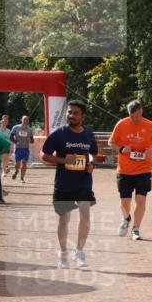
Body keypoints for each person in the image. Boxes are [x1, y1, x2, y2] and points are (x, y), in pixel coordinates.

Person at [40, 100, 98, 269]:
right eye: (69, 112)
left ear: (82, 116)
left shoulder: (88, 134)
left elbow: (93, 152)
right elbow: (45, 155)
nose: (71, 116)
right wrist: (63, 160)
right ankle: (63, 253)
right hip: (64, 184)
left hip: (83, 183)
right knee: (64, 221)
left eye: (75, 113)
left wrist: (92, 164)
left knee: (85, 219)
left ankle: (79, 251)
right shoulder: (59, 134)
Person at [109, 100, 152, 240]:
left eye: (138, 116)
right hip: (124, 170)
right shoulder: (121, 124)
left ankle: (136, 229)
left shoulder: (150, 125)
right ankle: (126, 219)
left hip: (143, 170)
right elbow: (111, 142)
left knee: (141, 200)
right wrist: (121, 149)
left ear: (141, 112)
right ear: (129, 114)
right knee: (124, 202)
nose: (135, 119)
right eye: (132, 117)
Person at [9, 115, 35, 183]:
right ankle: (16, 171)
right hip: (18, 148)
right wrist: (15, 141)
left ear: (28, 121)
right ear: (21, 120)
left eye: (27, 120)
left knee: (24, 163)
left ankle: (22, 178)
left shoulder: (29, 129)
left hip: (25, 149)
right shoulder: (16, 127)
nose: (25, 121)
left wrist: (30, 139)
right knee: (17, 163)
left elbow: (32, 141)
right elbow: (11, 137)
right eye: (24, 120)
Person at [0, 114, 12, 179]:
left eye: (6, 122)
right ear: (0, 123)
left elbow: (9, 139)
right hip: (0, 146)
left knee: (6, 160)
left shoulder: (8, 130)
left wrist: (11, 147)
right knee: (2, 159)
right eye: (3, 122)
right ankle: (3, 172)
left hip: (6, 146)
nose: (5, 123)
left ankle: (3, 171)